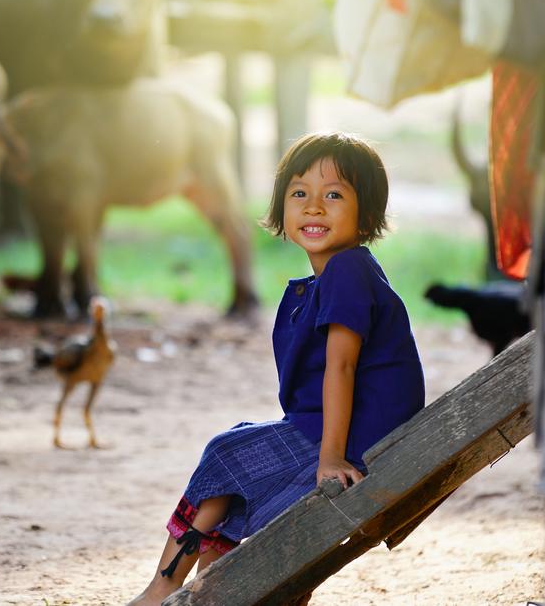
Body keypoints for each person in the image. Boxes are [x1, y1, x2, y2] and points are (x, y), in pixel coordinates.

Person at [128, 132, 426, 605]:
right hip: (341, 431)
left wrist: (331, 458)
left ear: (366, 213)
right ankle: (216, 581)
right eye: (299, 193)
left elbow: (341, 368)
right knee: (240, 445)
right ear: (281, 207)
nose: (313, 207)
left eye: (333, 195)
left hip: (357, 438)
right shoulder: (334, 276)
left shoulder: (348, 272)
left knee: (227, 452)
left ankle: (165, 586)